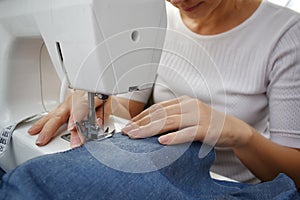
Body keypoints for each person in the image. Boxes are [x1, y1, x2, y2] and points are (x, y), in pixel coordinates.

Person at [2, 0, 299, 196]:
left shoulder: (286, 34)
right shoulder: (157, 17)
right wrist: (98, 97)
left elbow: (294, 174)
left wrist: (237, 134)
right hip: (157, 167)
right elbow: (129, 108)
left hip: (228, 187)